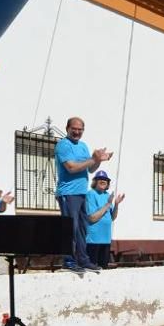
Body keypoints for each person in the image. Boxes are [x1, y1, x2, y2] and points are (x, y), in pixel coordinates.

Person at [56, 116, 112, 272]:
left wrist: (98, 160)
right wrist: (92, 159)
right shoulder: (63, 145)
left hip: (82, 193)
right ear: (67, 128)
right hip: (68, 193)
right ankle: (68, 261)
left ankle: (82, 260)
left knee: (82, 227)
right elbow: (71, 168)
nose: (77, 132)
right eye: (74, 128)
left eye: (80, 129)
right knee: (70, 227)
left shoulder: (84, 146)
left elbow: (91, 169)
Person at [85, 170, 124, 269]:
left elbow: (112, 218)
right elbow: (92, 218)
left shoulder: (107, 196)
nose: (103, 180)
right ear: (95, 182)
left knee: (104, 269)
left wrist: (116, 204)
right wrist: (107, 204)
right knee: (91, 269)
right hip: (93, 240)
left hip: (106, 239)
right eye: (100, 179)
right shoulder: (91, 194)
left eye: (105, 179)